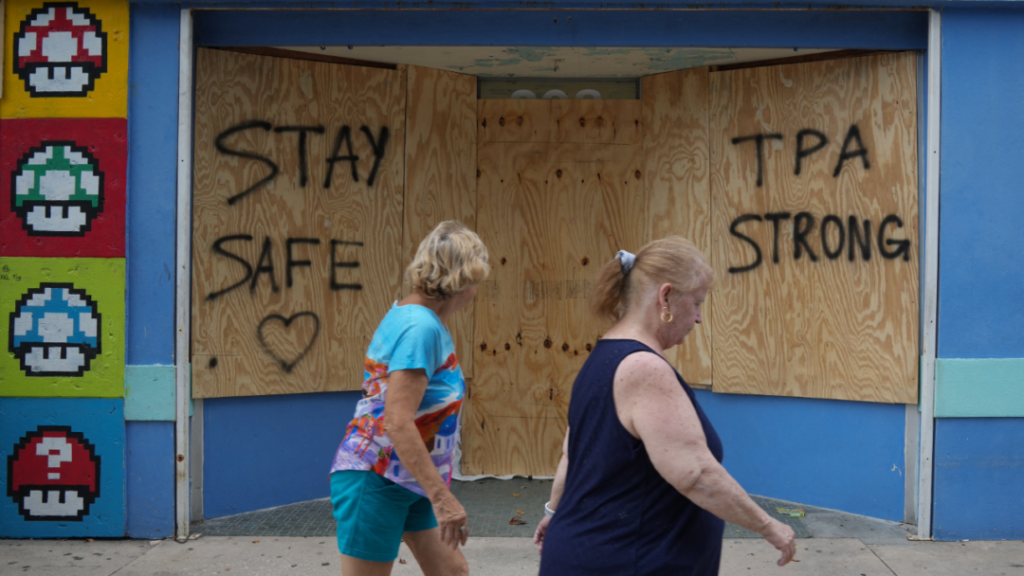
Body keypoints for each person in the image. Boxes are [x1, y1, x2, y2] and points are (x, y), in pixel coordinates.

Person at [533, 237, 797, 575]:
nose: (699, 318)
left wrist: (554, 513)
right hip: (626, 561)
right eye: (698, 302)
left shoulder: (603, 357)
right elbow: (696, 475)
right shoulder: (644, 370)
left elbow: (573, 455)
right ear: (666, 297)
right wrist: (769, 526)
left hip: (588, 553)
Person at [329, 221, 489, 576]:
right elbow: (397, 421)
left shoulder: (425, 320)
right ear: (466, 280)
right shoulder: (421, 328)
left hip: (410, 479)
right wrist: (443, 497)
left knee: (452, 572)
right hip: (376, 477)